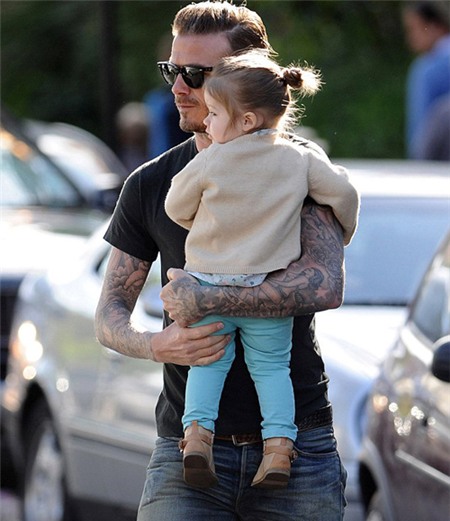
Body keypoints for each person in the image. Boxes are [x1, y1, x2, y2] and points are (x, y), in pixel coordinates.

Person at [95, 2, 348, 520]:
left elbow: (324, 285)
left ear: (244, 78)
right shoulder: (151, 182)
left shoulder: (294, 167)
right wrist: (156, 344)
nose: (179, 87)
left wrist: (207, 297)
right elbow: (109, 315)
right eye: (172, 70)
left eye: (196, 74)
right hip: (186, 453)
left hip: (299, 452)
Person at [164, 50, 359, 490]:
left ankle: (197, 438)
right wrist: (344, 230)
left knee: (207, 365)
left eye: (215, 114)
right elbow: (344, 195)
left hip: (208, 284)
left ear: (247, 120)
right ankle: (278, 449)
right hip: (266, 291)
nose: (208, 122)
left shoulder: (212, 159)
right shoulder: (299, 159)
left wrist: (203, 221)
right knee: (272, 369)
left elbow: (175, 205)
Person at [402, 1, 450, 159]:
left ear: (434, 26)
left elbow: (419, 130)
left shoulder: (430, 66)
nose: (410, 37)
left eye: (413, 29)